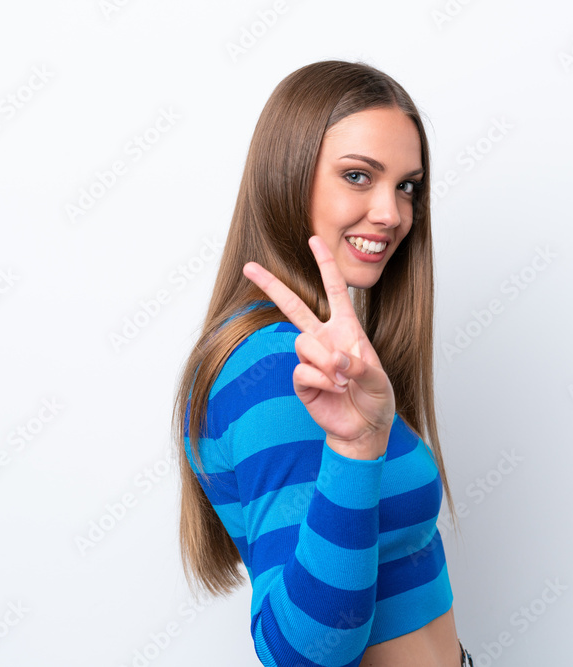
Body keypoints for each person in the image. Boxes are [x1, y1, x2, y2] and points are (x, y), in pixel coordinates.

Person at [171, 60, 473, 666]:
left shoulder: (320, 356)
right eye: (358, 176)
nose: (392, 213)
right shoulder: (272, 366)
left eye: (407, 186)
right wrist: (356, 448)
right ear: (287, 178)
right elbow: (298, 654)